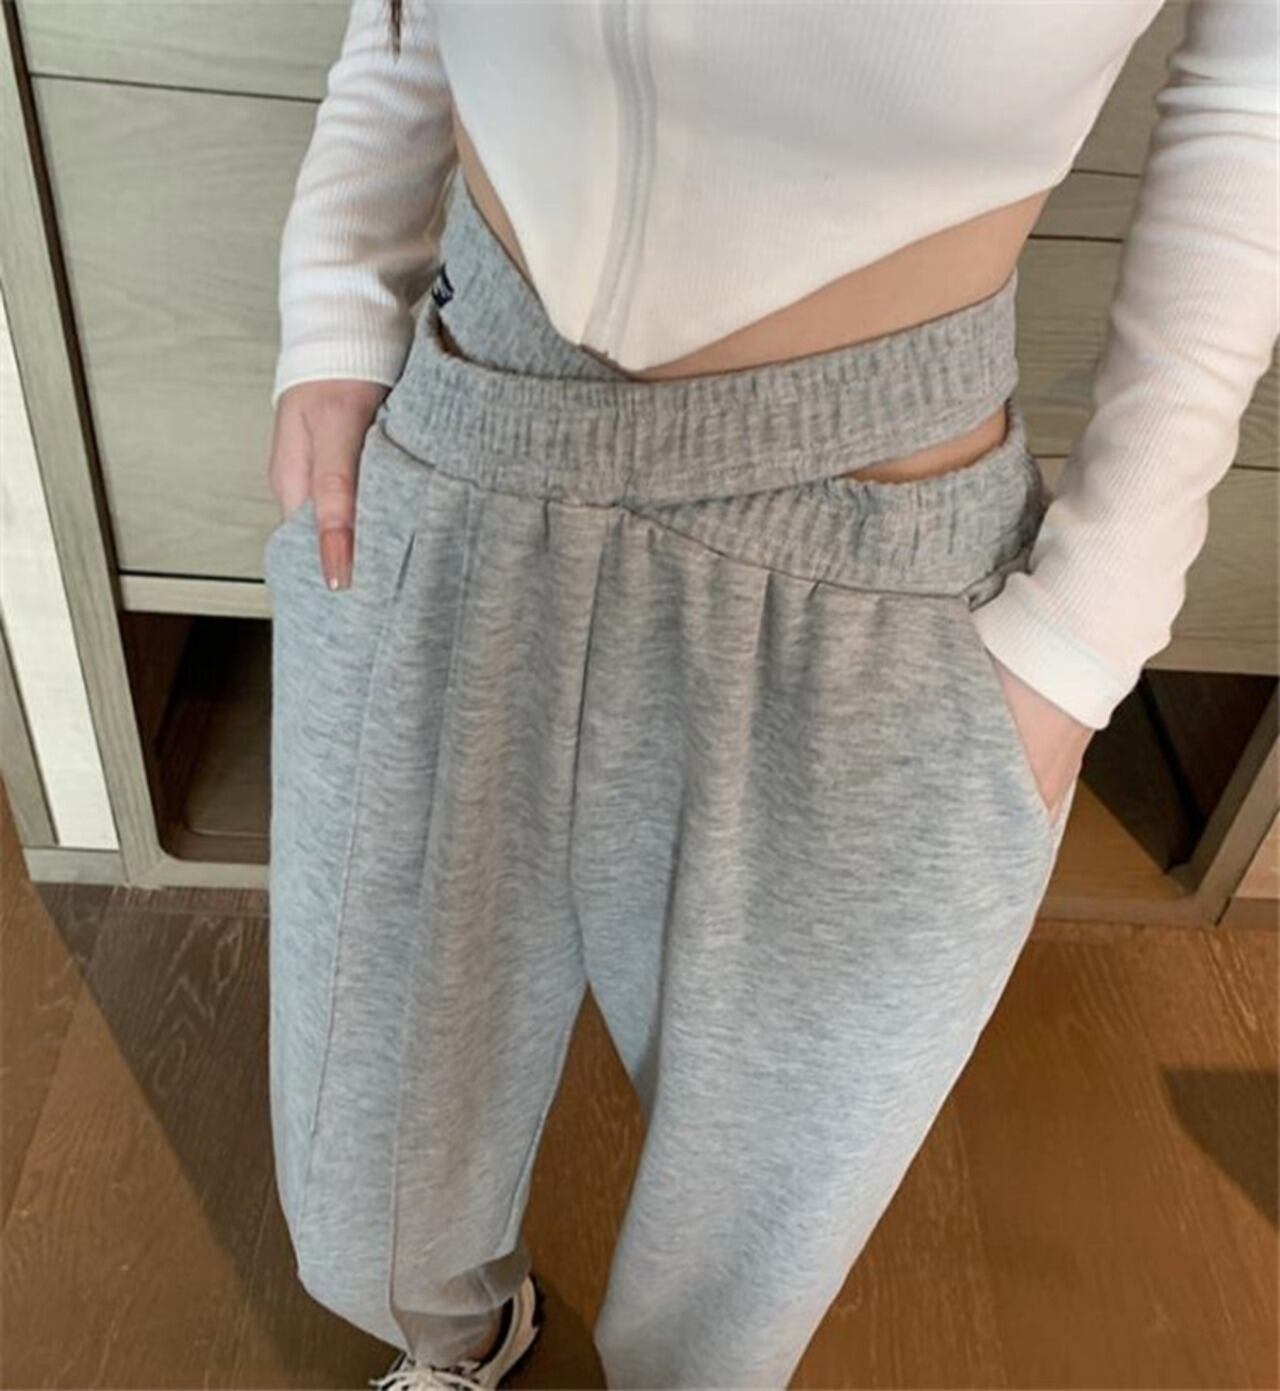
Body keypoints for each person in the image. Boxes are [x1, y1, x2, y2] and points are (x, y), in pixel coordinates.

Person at [262, 3, 1278, 1388]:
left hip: (876, 524)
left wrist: (1093, 623)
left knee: (757, 1227)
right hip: (468, 419)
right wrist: (339, 291)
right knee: (363, 1167)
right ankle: (460, 1343)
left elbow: (1253, 94)